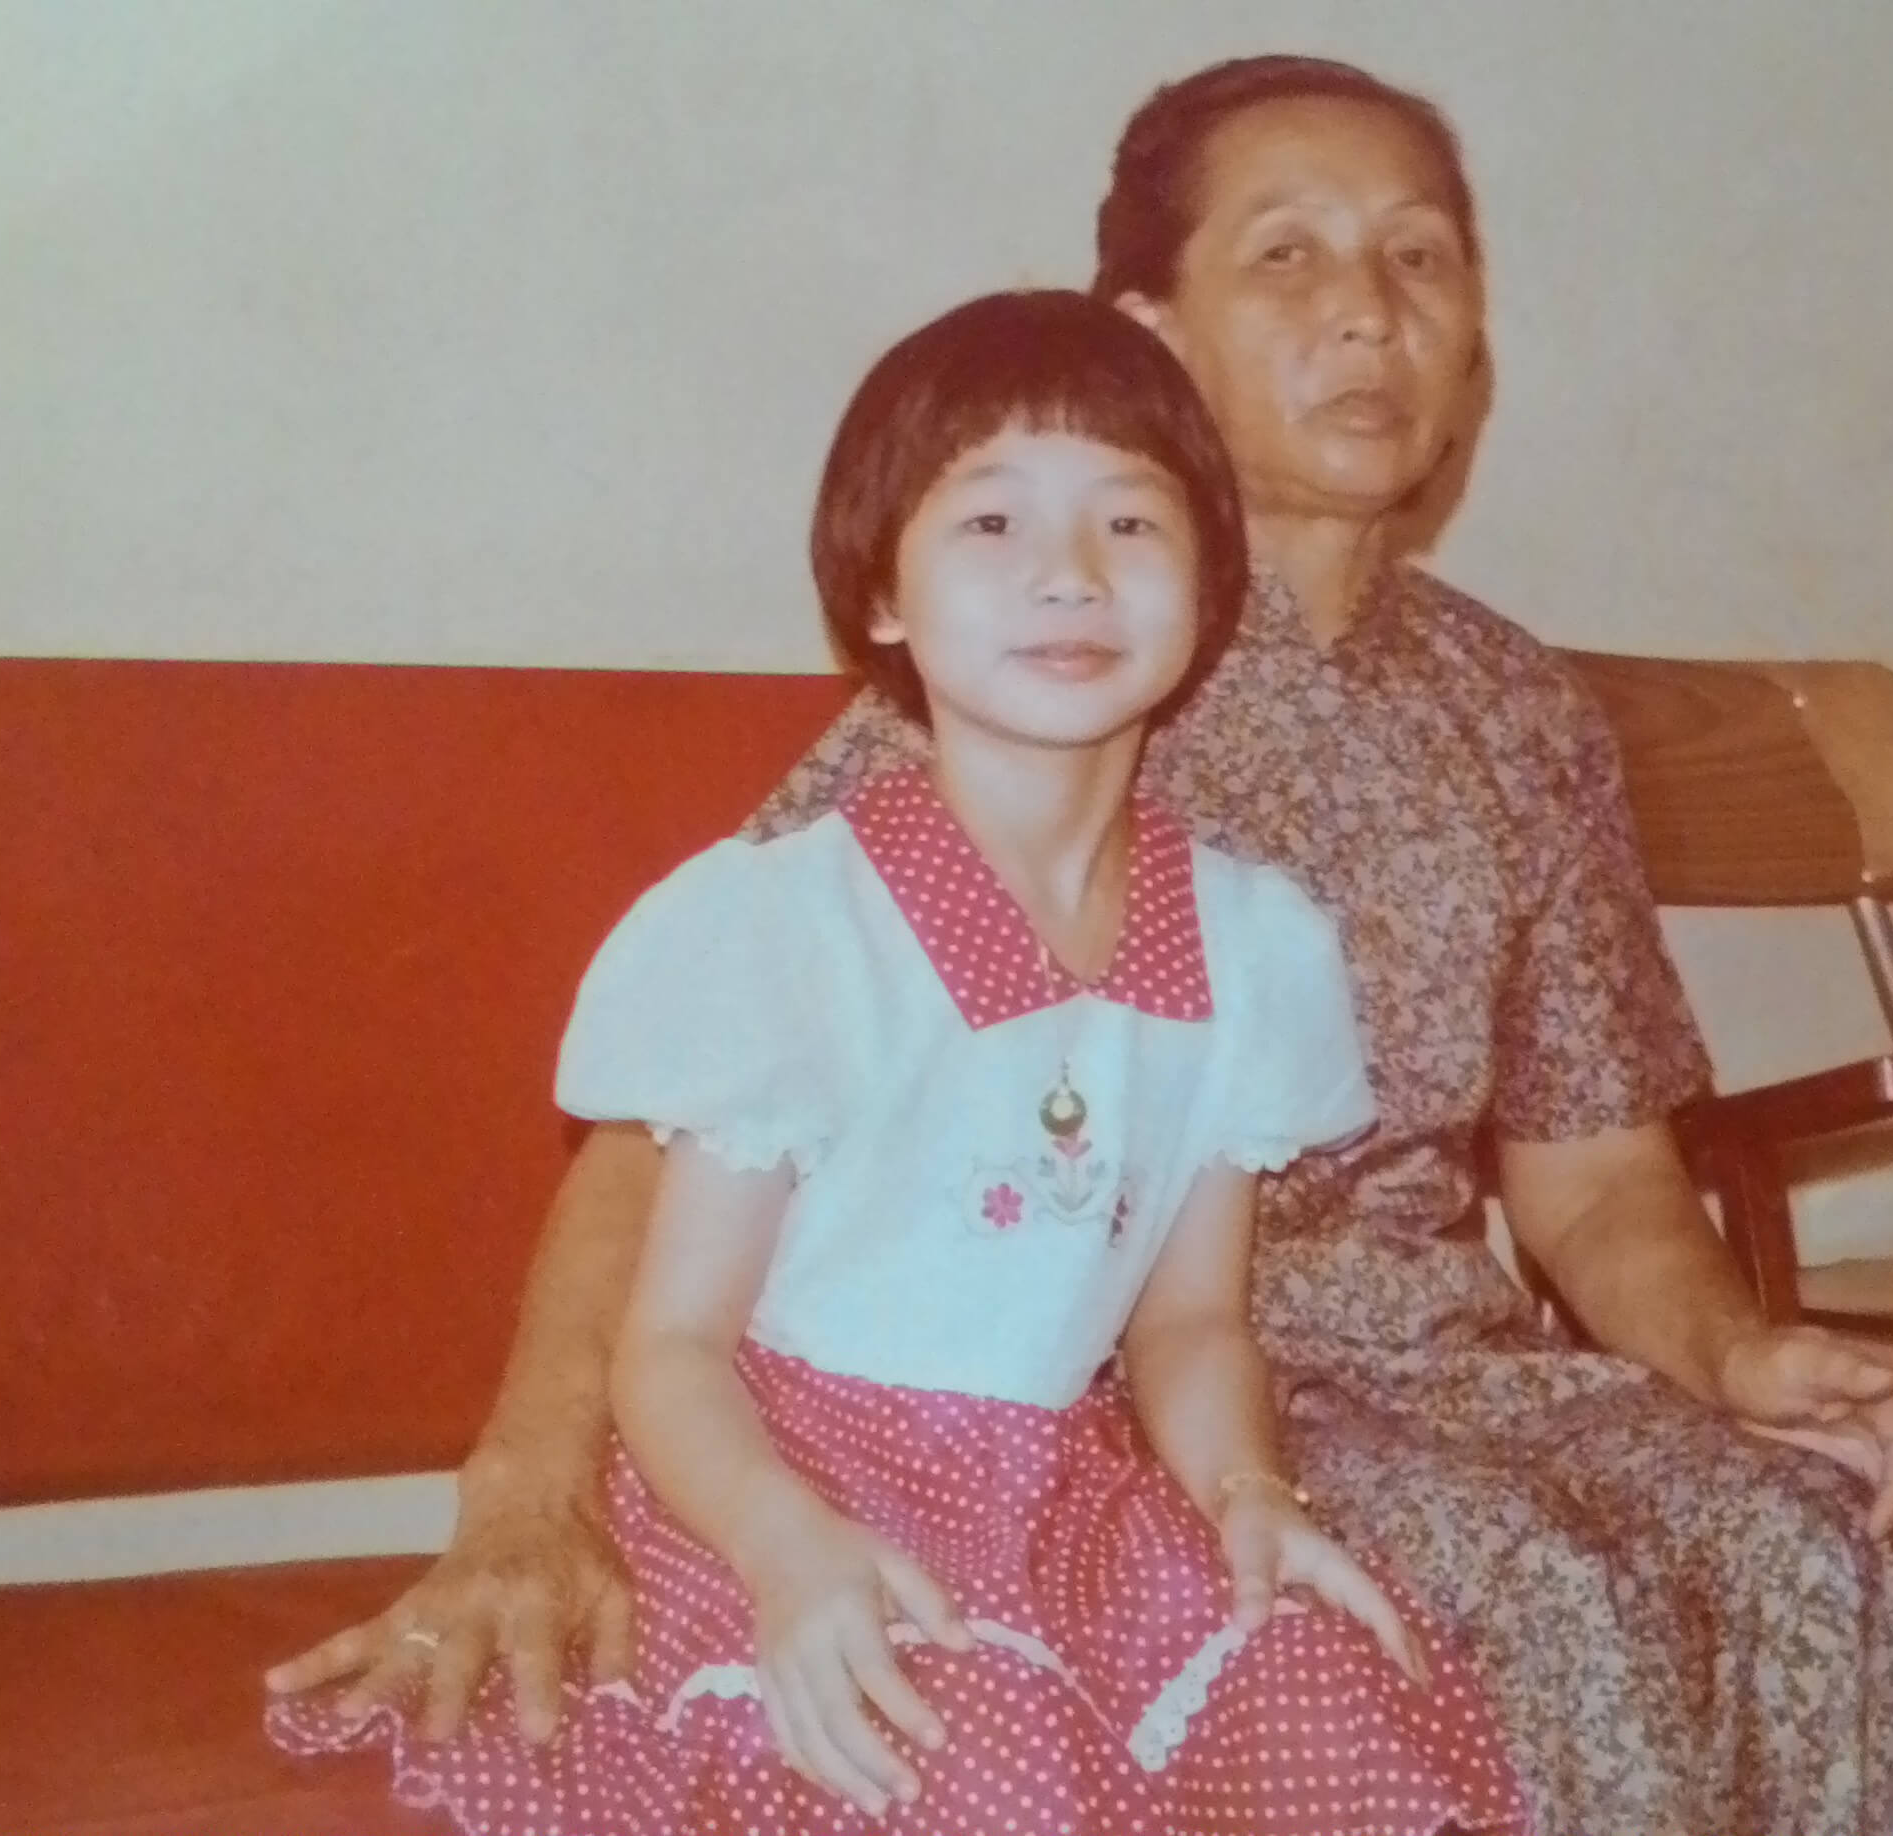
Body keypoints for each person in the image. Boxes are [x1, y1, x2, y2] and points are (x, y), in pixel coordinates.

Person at [272, 54, 1893, 1836]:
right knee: (1521, 1599)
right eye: (1290, 261)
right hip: (1091, 1387)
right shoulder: (1029, 667)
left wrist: (1735, 1356)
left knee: (1788, 1536)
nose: (1370, 319)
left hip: (1427, 1368)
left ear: (1477, 337)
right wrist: (528, 1489)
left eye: (1419, 261)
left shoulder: (1513, 709)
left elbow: (1601, 1180)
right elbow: (690, 1132)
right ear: (1149, 331)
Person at [270, 288, 1530, 1836]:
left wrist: (1252, 1497)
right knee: (981, 1762)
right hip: (782, 1487)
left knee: (1340, 1701)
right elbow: (669, 1351)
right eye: (991, 523)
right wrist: (789, 1548)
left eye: (1131, 525)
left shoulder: (1255, 945)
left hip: (1064, 1490)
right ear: (883, 595)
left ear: (1210, 593)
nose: (1069, 574)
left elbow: (1191, 1323)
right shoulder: (786, 927)